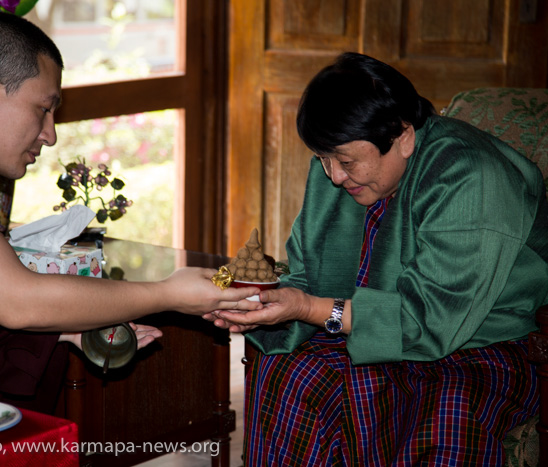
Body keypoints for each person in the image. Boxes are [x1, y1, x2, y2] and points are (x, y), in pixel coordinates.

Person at [0, 11, 260, 411]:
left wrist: (62, 327)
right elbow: (15, 299)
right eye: (43, 109)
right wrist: (167, 293)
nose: (50, 134)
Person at [209, 53, 548, 465]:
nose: (333, 176)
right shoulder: (342, 169)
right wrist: (263, 301)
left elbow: (428, 322)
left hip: (483, 344)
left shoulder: (472, 177)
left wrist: (307, 307)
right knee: (294, 374)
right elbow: (309, 271)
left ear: (403, 137)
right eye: (323, 158)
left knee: (444, 419)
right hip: (366, 326)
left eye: (346, 161)